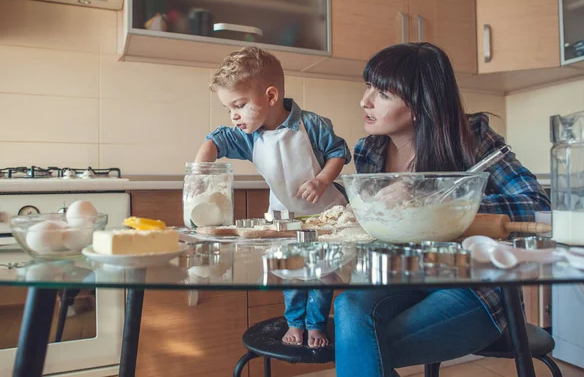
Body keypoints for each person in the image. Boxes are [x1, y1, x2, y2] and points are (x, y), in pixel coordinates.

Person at [334, 42, 550, 376]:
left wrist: (430, 196)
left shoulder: (473, 138)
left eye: (383, 93)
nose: (365, 100)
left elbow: (536, 205)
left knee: (359, 349)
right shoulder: (369, 150)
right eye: (368, 87)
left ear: (420, 105)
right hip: (400, 279)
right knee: (349, 306)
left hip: (472, 287)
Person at [194, 46, 351, 347]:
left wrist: (320, 180)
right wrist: (201, 170)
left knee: (320, 276)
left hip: (324, 213)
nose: (234, 115)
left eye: (239, 105)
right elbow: (216, 140)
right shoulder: (249, 135)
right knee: (293, 273)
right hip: (284, 216)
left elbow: (338, 153)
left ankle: (316, 325)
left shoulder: (312, 124)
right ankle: (295, 322)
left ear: (270, 96)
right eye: (229, 109)